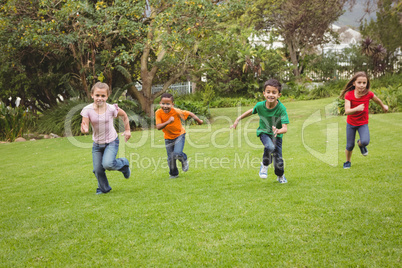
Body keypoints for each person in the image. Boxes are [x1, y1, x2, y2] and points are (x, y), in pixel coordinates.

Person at [230, 79, 289, 183]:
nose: (271, 95)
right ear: (264, 93)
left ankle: (280, 176)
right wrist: (238, 119)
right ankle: (265, 165)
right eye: (268, 92)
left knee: (278, 159)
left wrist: (278, 131)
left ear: (279, 95)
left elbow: (285, 128)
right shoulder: (260, 105)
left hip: (277, 136)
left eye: (274, 93)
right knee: (269, 147)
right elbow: (251, 111)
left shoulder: (281, 109)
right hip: (264, 132)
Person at [80, 82, 132, 194]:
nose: (100, 98)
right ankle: (104, 189)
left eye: (103, 96)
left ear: (107, 96)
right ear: (92, 95)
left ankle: (123, 164)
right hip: (97, 144)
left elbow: (124, 115)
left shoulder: (111, 109)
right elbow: (84, 123)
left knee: (108, 164)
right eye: (97, 95)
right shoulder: (87, 110)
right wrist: (84, 128)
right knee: (98, 170)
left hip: (111, 142)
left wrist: (127, 130)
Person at [340, 71, 388, 169]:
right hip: (351, 124)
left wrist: (383, 106)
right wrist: (357, 108)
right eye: (359, 82)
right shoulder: (349, 95)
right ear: (354, 83)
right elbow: (347, 111)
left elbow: (377, 100)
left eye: (364, 83)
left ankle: (361, 144)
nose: (362, 85)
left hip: (362, 123)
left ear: (367, 84)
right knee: (349, 145)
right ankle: (347, 161)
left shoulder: (368, 94)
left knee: (365, 141)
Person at [155, 93, 203, 178]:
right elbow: (158, 127)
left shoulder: (176, 111)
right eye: (163, 103)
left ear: (172, 104)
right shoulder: (158, 113)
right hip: (168, 138)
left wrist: (199, 121)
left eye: (168, 104)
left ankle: (184, 159)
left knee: (177, 153)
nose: (165, 106)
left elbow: (189, 113)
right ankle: (174, 174)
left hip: (179, 135)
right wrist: (168, 122)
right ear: (160, 103)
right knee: (170, 158)